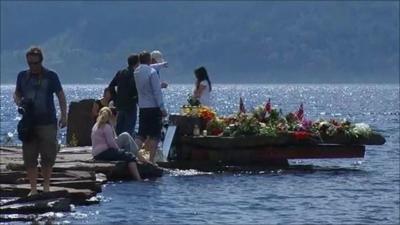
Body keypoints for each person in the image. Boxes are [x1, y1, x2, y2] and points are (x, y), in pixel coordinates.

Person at [13, 46, 67, 196]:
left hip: (48, 122)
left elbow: (60, 95)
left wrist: (64, 115)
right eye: (30, 63)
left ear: (41, 61)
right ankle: (33, 188)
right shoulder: (22, 76)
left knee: (48, 155)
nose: (33, 66)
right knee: (29, 156)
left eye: (36, 63)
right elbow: (17, 93)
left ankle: (46, 185)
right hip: (29, 123)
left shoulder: (51, 76)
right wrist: (19, 101)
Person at [91, 107, 145, 181]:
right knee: (130, 156)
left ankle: (137, 158)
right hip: (104, 152)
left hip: (96, 153)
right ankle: (138, 179)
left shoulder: (96, 125)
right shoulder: (106, 127)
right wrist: (119, 151)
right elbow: (111, 143)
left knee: (125, 140)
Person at [134, 51, 167, 163]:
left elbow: (146, 67)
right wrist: (162, 108)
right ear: (149, 60)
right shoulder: (152, 73)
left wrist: (161, 65)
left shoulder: (136, 72)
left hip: (142, 107)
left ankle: (132, 154)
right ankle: (151, 161)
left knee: (141, 134)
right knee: (155, 135)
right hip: (153, 107)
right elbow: (157, 91)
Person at [108, 54, 139, 136]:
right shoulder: (135, 74)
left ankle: (118, 146)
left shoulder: (120, 72)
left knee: (119, 128)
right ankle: (126, 147)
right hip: (130, 106)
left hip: (120, 105)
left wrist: (115, 99)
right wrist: (136, 99)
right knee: (129, 130)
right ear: (137, 63)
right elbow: (134, 89)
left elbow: (111, 86)